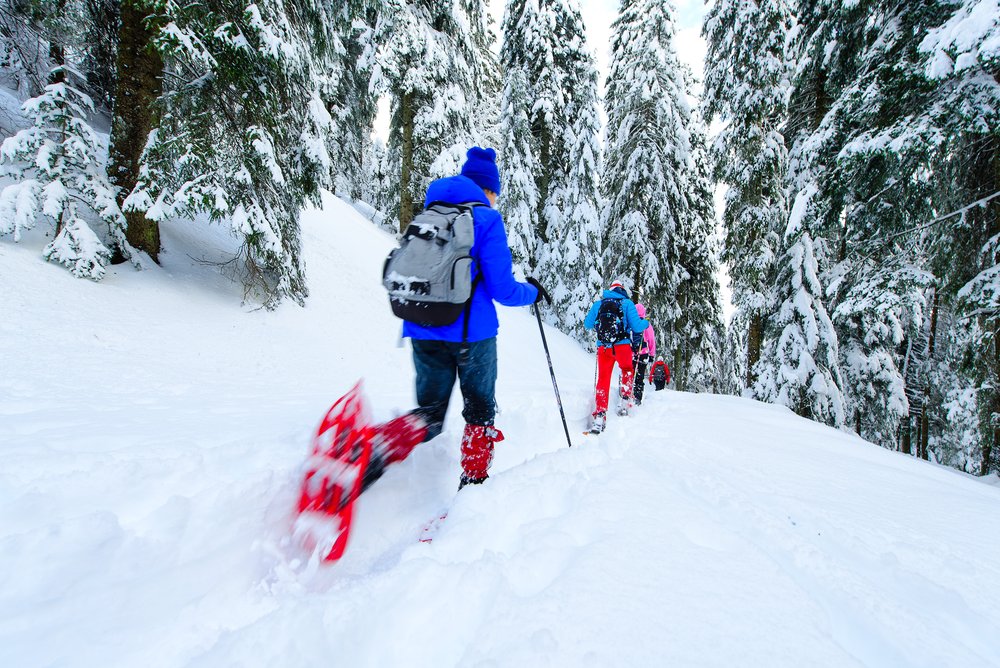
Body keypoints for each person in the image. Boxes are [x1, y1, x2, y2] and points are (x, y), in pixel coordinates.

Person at [367, 147, 549, 489]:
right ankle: (474, 482)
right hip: (472, 337)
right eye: (495, 193)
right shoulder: (487, 219)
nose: (495, 199)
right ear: (489, 190)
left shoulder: (430, 211)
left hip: (422, 327)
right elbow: (503, 290)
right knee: (480, 409)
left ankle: (376, 448)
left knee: (431, 414)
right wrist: (533, 293)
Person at [584, 281, 648, 432]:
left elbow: (587, 324)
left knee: (603, 379)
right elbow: (637, 327)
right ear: (622, 290)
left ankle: (600, 416)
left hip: (603, 347)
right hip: (622, 346)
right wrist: (645, 323)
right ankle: (625, 401)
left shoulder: (599, 304)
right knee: (627, 369)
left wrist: (600, 326)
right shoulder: (627, 303)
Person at [632, 303, 656, 405]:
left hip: (632, 353)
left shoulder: (631, 322)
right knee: (640, 375)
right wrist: (651, 354)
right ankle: (637, 398)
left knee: (630, 374)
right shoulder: (646, 324)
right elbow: (651, 340)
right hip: (643, 353)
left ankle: (627, 394)